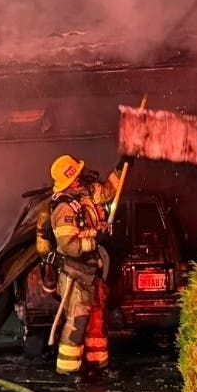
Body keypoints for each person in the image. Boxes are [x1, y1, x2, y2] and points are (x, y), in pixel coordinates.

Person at [48, 153, 126, 378]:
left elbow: (108, 191)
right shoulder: (64, 207)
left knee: (97, 319)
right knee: (78, 320)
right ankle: (69, 371)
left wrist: (121, 166)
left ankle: (98, 365)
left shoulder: (86, 195)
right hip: (75, 271)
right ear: (67, 181)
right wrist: (97, 240)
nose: (80, 179)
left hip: (94, 269)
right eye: (75, 177)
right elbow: (70, 245)